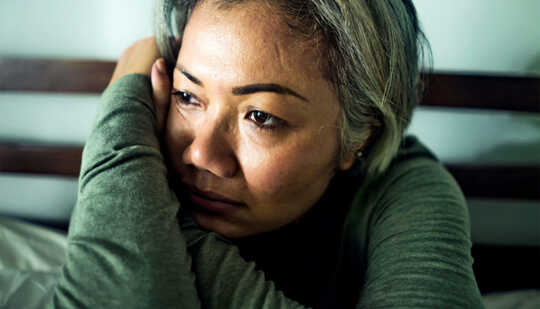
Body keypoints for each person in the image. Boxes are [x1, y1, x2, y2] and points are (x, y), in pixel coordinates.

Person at [49, 0, 485, 308]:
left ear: (360, 138)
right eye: (186, 94)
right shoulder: (153, 143)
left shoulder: (406, 188)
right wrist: (127, 106)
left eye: (261, 116)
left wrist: (129, 164)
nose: (201, 155)